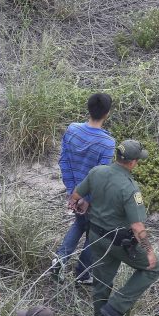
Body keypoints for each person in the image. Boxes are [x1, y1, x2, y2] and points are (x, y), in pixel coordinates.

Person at [68, 140, 159, 316]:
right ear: (133, 162)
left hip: (95, 237)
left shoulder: (97, 172)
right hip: (119, 242)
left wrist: (81, 201)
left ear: (117, 156)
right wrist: (149, 252)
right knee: (153, 269)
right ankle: (117, 307)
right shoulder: (130, 188)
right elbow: (137, 226)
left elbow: (75, 195)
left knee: (102, 281)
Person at [52, 93, 116, 284]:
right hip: (92, 198)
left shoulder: (72, 130)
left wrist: (74, 193)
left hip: (73, 191)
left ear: (88, 109)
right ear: (107, 114)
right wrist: (87, 199)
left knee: (80, 224)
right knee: (95, 232)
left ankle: (60, 260)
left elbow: (63, 161)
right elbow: (100, 176)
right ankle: (83, 274)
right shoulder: (107, 143)